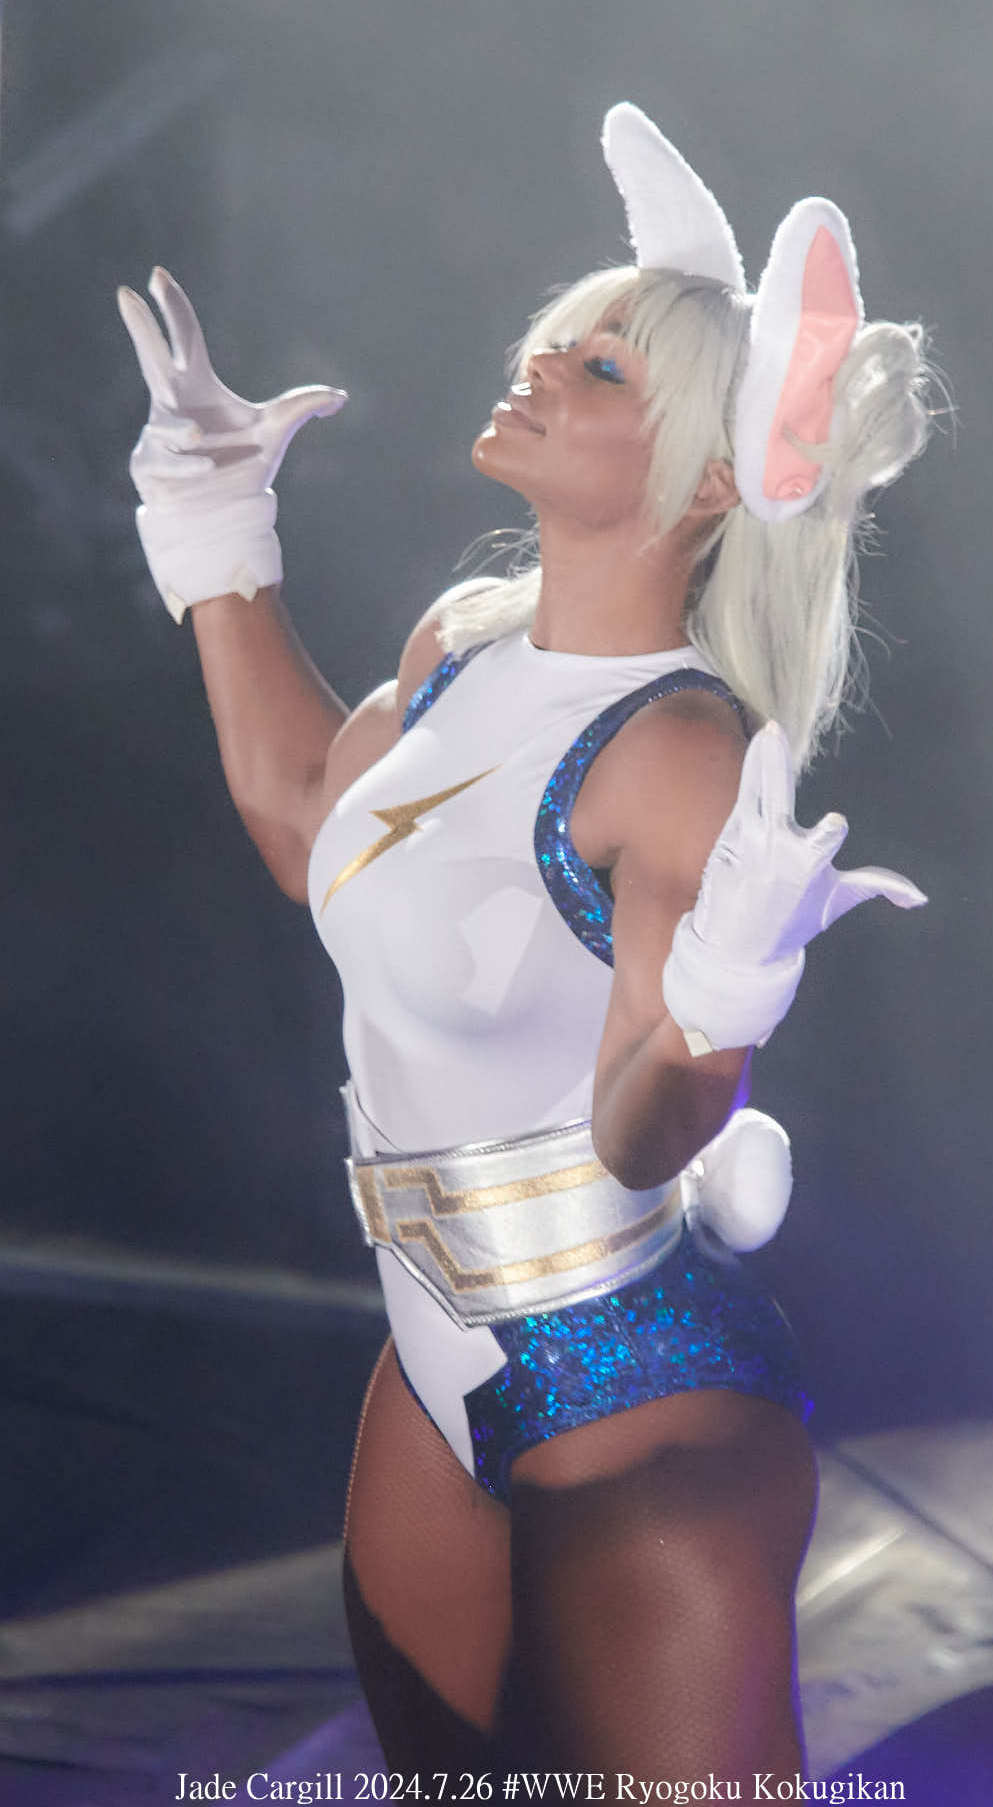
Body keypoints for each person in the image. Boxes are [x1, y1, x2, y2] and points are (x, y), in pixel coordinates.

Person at [118, 103, 933, 1784]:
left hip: (637, 1401)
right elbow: (307, 827)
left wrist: (720, 1002)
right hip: (430, 1363)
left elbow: (640, 1133)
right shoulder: (461, 649)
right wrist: (216, 543)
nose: (542, 364)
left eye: (602, 368)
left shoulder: (680, 750)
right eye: (556, 342)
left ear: (716, 476)